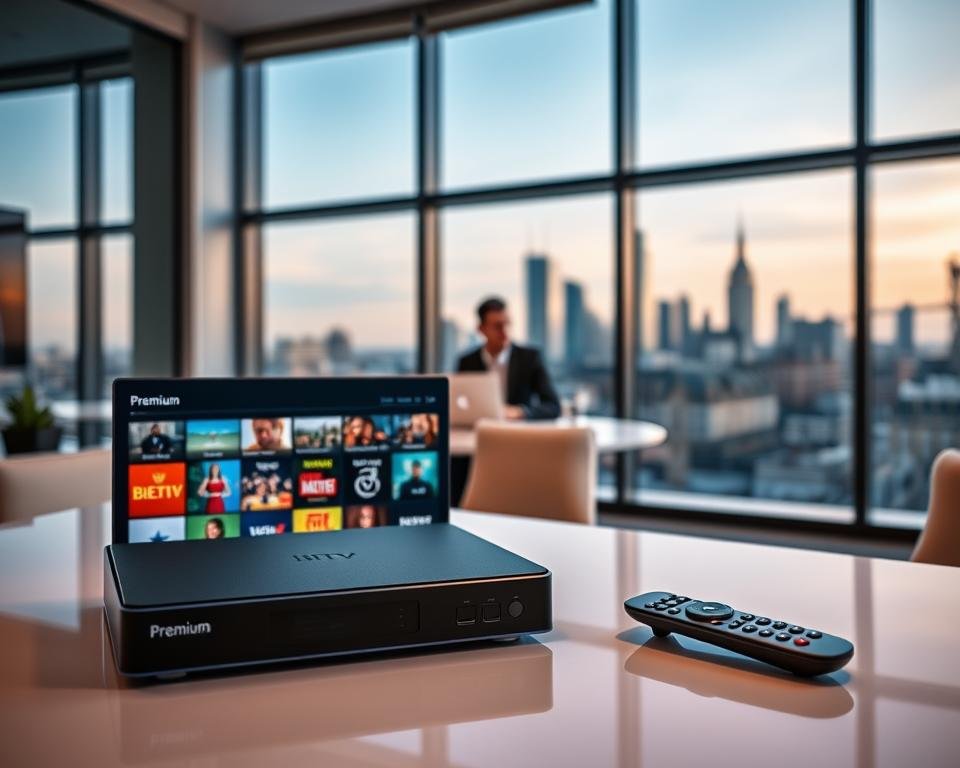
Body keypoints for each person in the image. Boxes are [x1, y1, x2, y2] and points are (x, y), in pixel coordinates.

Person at [457, 296, 561, 420]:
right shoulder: (467, 362)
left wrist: (521, 412)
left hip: (518, 429)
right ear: (481, 329)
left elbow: (553, 406)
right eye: (498, 326)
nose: (505, 331)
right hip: (479, 428)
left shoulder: (530, 358)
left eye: (507, 324)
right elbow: (458, 403)